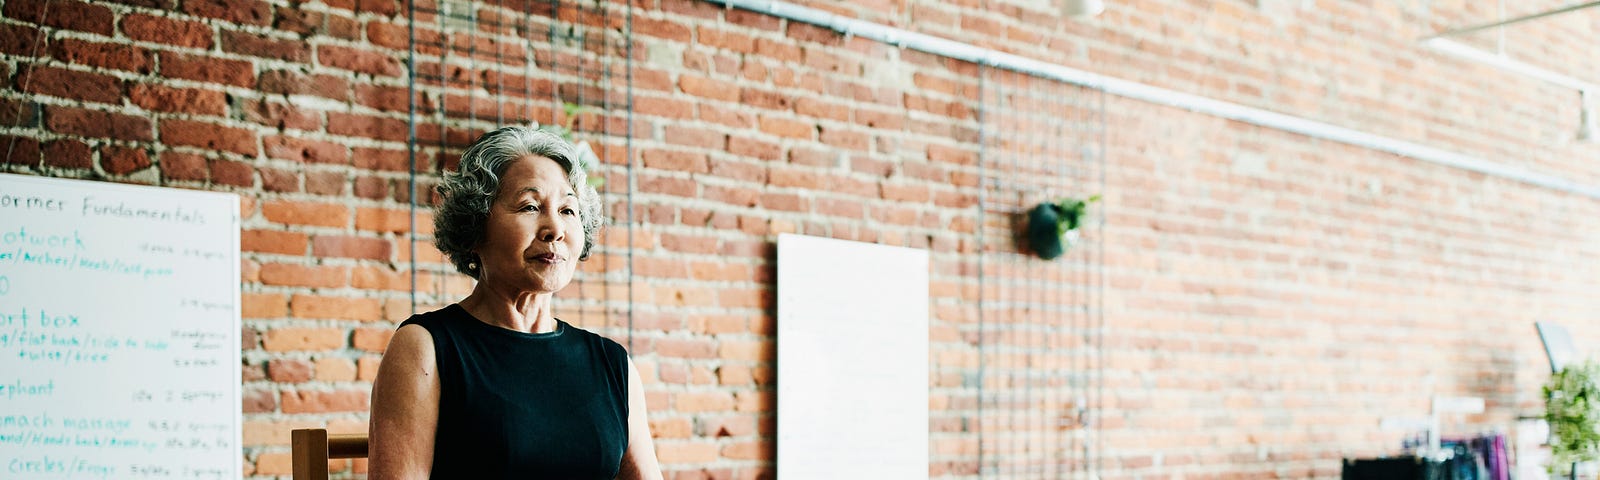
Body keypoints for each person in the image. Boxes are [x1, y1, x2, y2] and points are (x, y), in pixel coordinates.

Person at [369, 126, 663, 479]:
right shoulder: (425, 349)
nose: (554, 228)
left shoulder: (612, 365)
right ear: (475, 226)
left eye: (568, 210)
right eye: (530, 206)